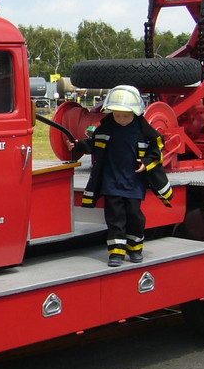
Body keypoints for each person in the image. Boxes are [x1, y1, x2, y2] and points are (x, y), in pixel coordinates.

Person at [67, 84, 173, 267]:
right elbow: (93, 143)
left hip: (133, 182)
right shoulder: (107, 126)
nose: (121, 119)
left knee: (134, 215)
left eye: (126, 116)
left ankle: (135, 248)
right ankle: (116, 253)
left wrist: (147, 163)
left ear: (136, 113)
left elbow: (157, 148)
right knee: (115, 217)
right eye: (117, 115)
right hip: (112, 181)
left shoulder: (144, 129)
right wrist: (77, 146)